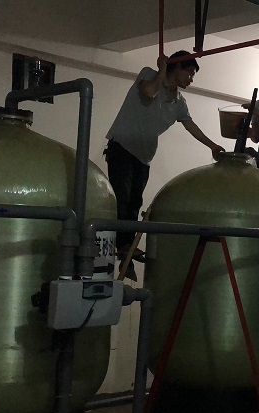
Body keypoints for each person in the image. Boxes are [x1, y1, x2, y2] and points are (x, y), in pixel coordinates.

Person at [105, 50, 224, 265]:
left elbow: (190, 125)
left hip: (144, 155)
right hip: (122, 147)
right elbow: (149, 92)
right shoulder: (149, 75)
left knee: (134, 202)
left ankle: (126, 247)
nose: (191, 79)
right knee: (122, 199)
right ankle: (123, 245)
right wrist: (162, 69)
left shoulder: (179, 102)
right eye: (189, 73)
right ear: (176, 67)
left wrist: (212, 145)